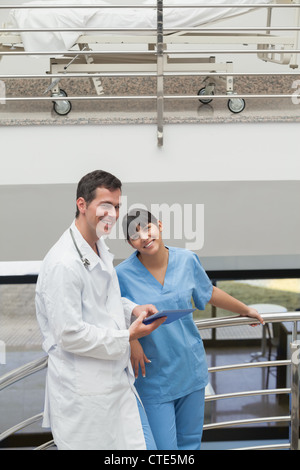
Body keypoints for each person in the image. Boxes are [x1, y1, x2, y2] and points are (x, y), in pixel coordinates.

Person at [35, 171, 166, 450]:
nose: (113, 214)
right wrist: (127, 337)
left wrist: (133, 309)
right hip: (85, 396)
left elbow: (104, 300)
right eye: (105, 205)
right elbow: (69, 334)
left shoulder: (99, 246)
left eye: (117, 206)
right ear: (82, 205)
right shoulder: (63, 263)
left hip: (115, 385)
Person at [116, 208, 264, 450]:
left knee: (190, 445)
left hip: (189, 369)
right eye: (135, 234)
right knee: (164, 449)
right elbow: (116, 314)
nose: (143, 236)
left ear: (160, 226)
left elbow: (208, 292)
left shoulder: (186, 260)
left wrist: (245, 309)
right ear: (129, 242)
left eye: (147, 227)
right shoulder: (121, 275)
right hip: (153, 377)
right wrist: (132, 342)